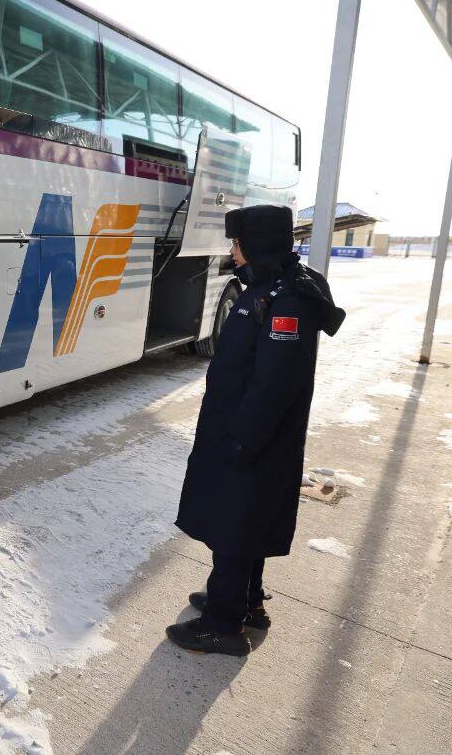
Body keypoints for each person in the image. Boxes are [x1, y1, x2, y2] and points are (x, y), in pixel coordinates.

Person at [168, 205, 345, 656]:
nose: (233, 252)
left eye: (237, 243)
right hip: (244, 428)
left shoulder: (286, 300)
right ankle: (244, 601)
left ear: (257, 244)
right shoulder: (269, 288)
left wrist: (243, 439)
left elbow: (276, 381)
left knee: (235, 520)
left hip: (254, 434)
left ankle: (223, 625)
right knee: (245, 519)